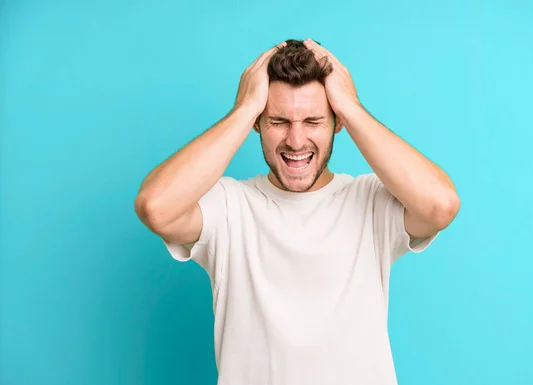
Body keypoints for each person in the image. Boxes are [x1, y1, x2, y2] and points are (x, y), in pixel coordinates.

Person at [135, 38, 460, 385]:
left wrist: (351, 107)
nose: (296, 140)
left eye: (312, 120)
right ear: (258, 123)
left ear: (337, 123)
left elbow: (440, 205)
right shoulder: (229, 207)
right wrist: (243, 109)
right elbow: (156, 207)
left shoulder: (370, 202)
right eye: (278, 121)